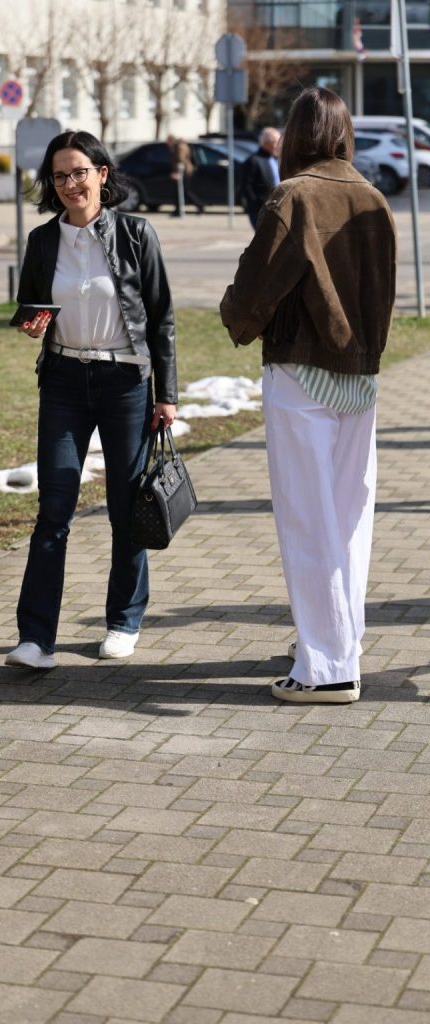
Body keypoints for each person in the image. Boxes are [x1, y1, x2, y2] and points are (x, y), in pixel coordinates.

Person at [220, 86, 396, 704]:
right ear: (344, 133)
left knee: (307, 519)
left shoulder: (292, 196)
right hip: (360, 376)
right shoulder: (374, 197)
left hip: (301, 371)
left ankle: (325, 667)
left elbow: (252, 290)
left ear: (294, 136)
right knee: (348, 521)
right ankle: (339, 643)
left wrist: (236, 318)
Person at [5, 129, 177, 670]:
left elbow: (162, 318)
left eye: (79, 172)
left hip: (125, 384)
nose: (70, 184)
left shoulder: (136, 234)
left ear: (102, 174)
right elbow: (31, 303)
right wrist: (32, 322)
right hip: (62, 382)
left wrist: (167, 395)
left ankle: (123, 621)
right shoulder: (42, 240)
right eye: (59, 176)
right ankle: (35, 639)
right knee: (53, 509)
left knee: (126, 510)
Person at [240, 127, 281, 229]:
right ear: (266, 143)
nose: (278, 145)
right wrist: (256, 203)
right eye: (276, 142)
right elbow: (246, 186)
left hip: (278, 207)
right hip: (260, 209)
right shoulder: (253, 161)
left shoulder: (276, 159)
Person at [166, 134, 204, 216]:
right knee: (182, 191)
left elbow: (180, 160)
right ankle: (179, 209)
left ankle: (199, 205)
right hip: (185, 170)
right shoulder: (179, 146)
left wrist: (177, 172)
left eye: (168, 141)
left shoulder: (180, 147)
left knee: (182, 191)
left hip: (184, 171)